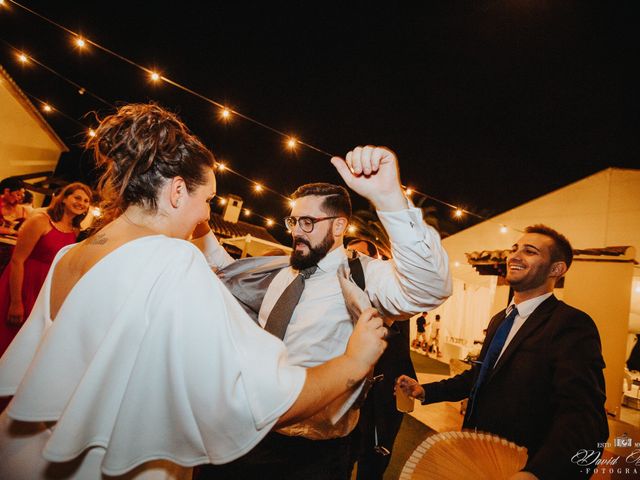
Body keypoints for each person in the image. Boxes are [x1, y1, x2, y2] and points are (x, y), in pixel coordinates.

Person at [0, 103, 388, 480]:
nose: (206, 215)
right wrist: (353, 361)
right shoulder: (171, 259)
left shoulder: (70, 256)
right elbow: (249, 398)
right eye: (207, 200)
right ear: (177, 191)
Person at [194, 146, 451, 479]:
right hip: (244, 433)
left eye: (308, 222)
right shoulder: (282, 272)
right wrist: (196, 216)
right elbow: (227, 269)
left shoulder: (366, 277)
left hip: (311, 457)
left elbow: (431, 286)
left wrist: (389, 198)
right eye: (293, 220)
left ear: (339, 225)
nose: (296, 230)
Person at [396, 225, 608, 479]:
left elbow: (584, 417)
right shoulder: (500, 320)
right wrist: (426, 391)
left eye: (529, 251)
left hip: (522, 463)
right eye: (514, 249)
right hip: (478, 452)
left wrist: (536, 473)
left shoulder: (570, 324)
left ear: (556, 269)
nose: (514, 256)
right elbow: (479, 376)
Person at [345, 238, 418, 480]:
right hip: (346, 393)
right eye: (348, 255)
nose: (351, 261)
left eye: (357, 257)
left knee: (372, 461)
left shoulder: (390, 299)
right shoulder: (339, 297)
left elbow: (395, 349)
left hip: (381, 396)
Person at [0, 182, 91, 358]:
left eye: (86, 201)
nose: (82, 203)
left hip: (43, 290)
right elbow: (17, 260)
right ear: (64, 199)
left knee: (22, 345)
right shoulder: (40, 220)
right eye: (77, 197)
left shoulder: (76, 231)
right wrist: (16, 301)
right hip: (22, 283)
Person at [0, 178, 29, 274]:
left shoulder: (23, 210)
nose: (20, 198)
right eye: (18, 194)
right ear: (7, 191)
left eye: (22, 195)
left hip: (10, 253)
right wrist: (13, 232)